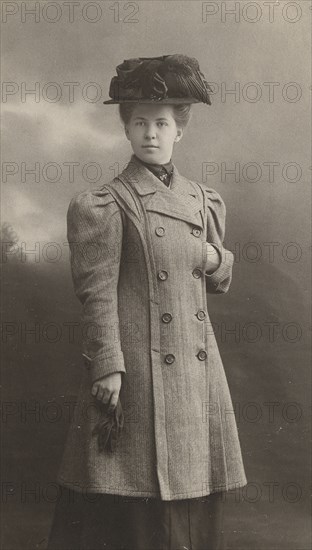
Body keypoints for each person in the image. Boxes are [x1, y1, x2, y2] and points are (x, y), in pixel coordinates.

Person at [48, 54, 247, 550]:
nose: (150, 133)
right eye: (139, 122)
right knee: (134, 502)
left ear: (180, 129)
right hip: (137, 371)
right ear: (126, 130)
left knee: (190, 498)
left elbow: (219, 281)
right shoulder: (105, 204)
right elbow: (95, 294)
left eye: (161, 123)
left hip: (196, 376)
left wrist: (210, 255)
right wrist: (108, 366)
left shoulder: (204, 200)